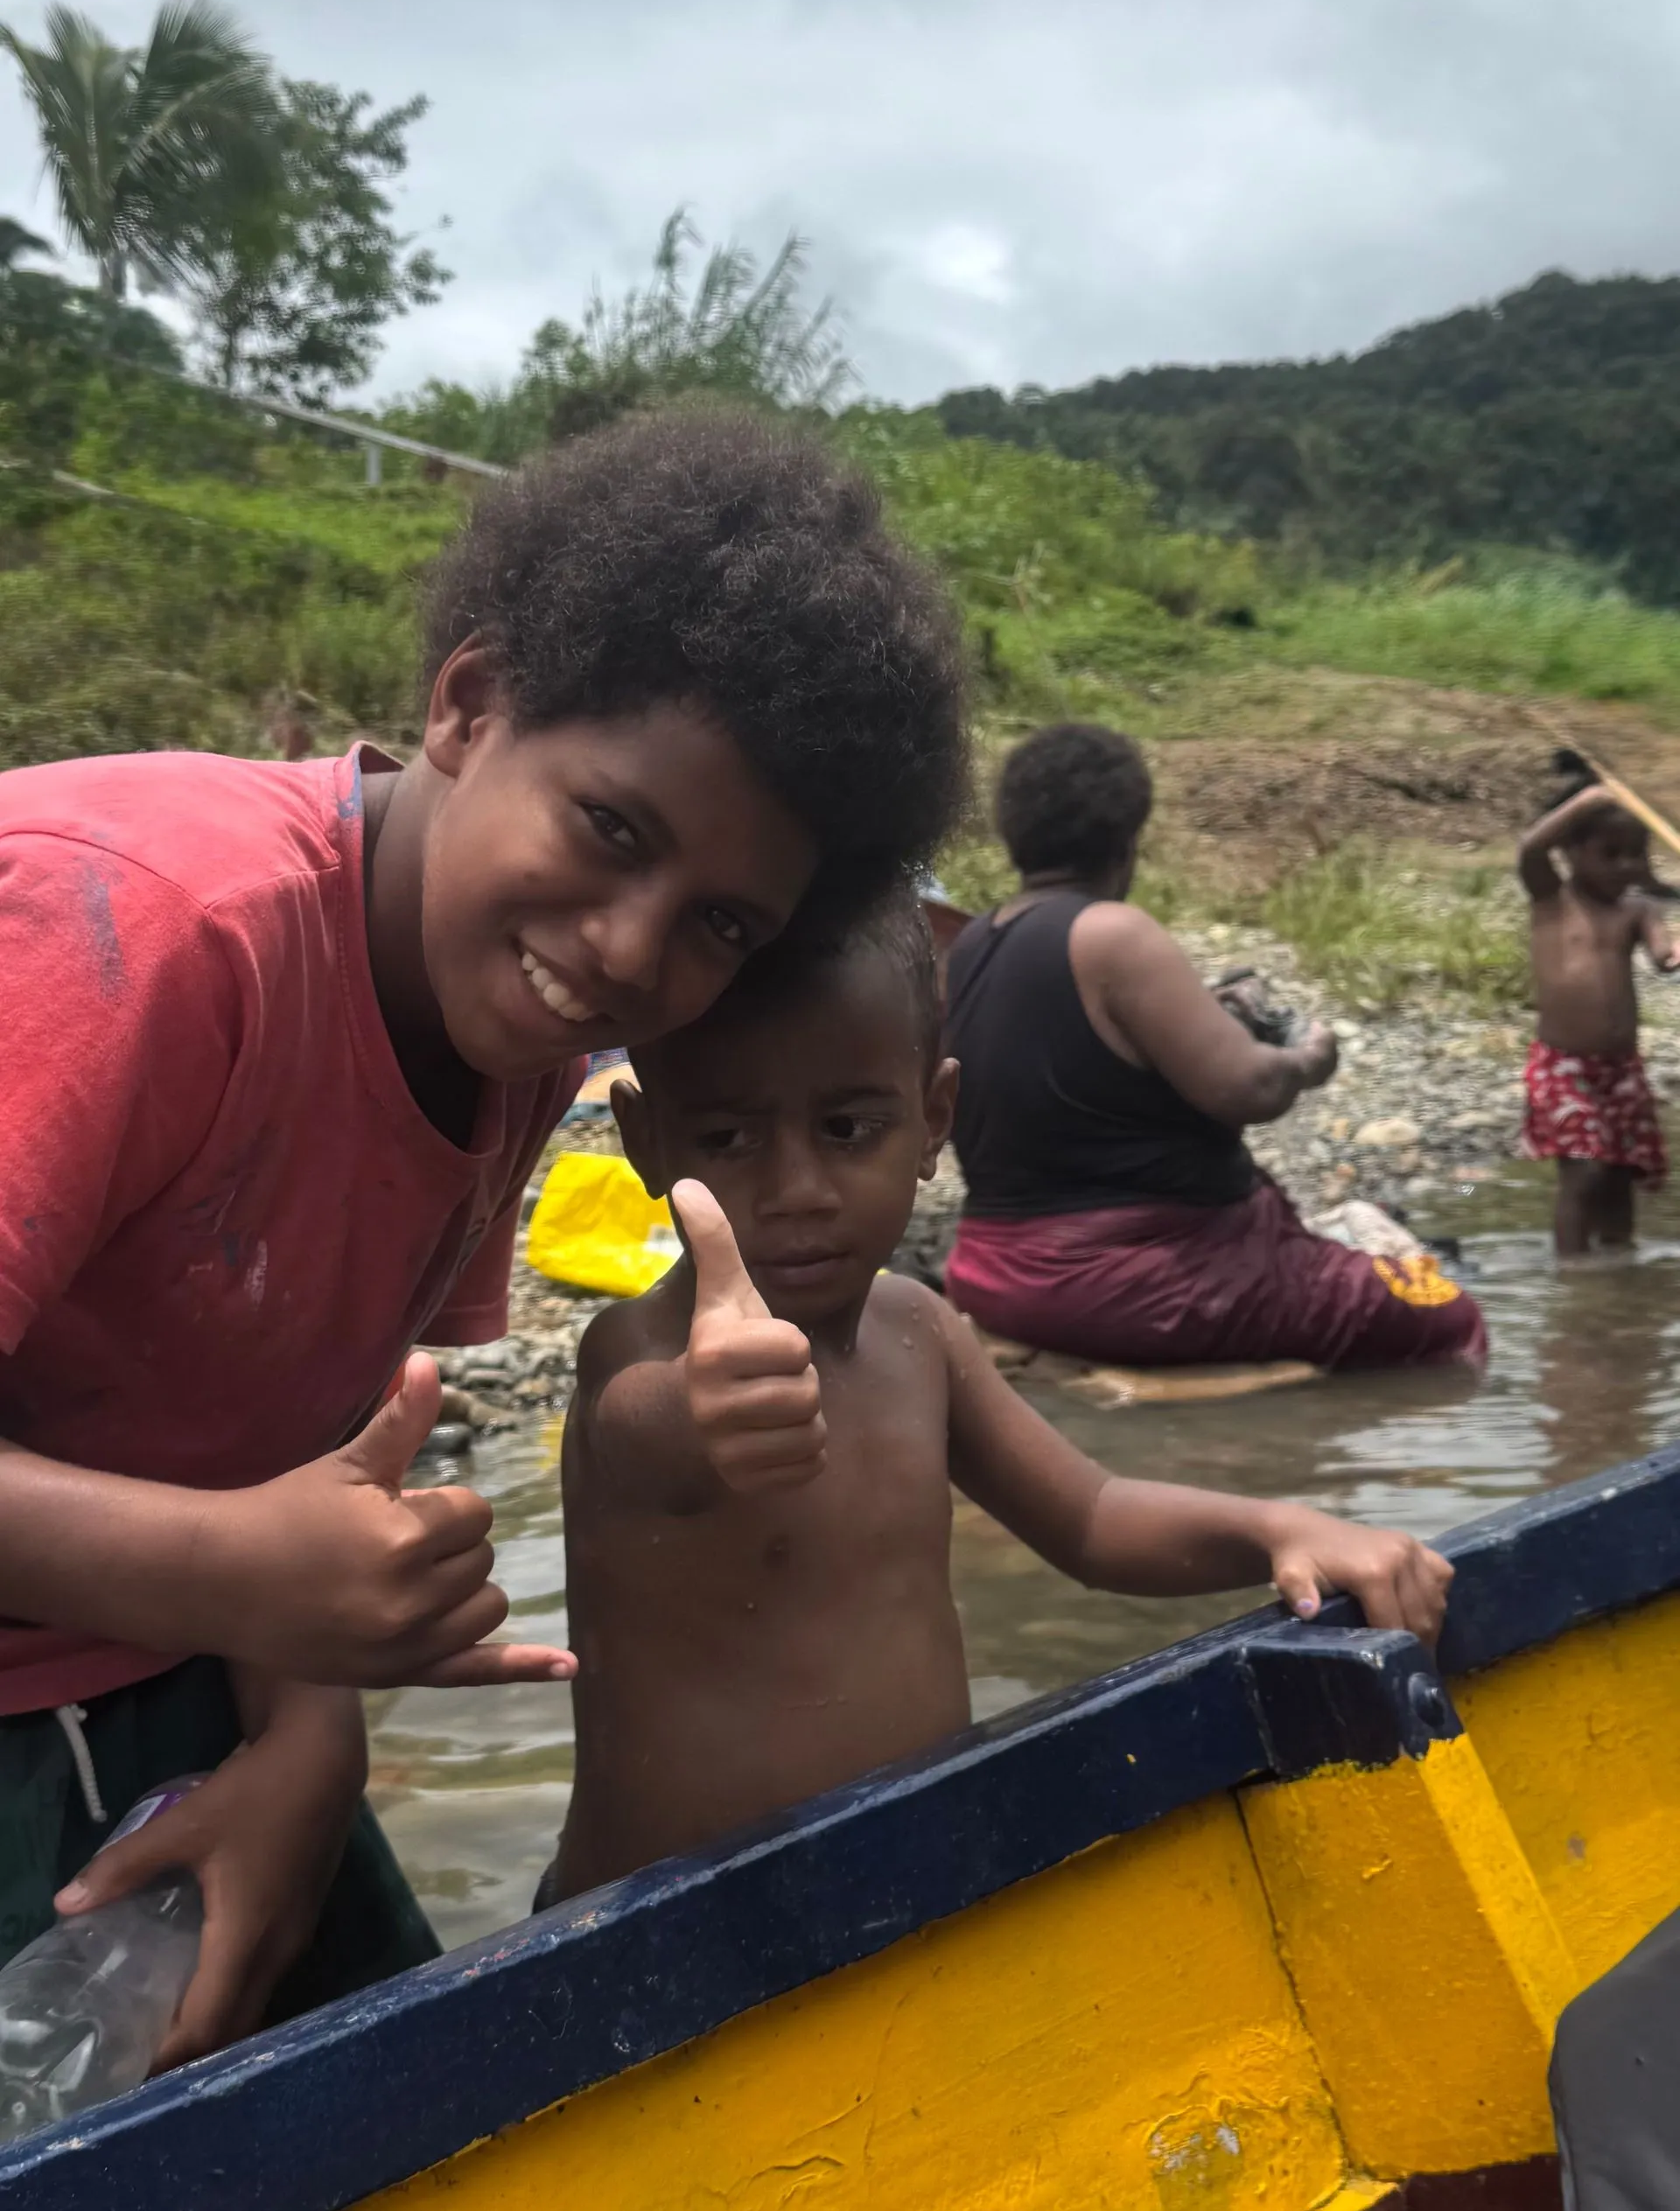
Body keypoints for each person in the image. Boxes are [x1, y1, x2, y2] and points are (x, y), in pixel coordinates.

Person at [0, 405, 967, 2065]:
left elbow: (312, 1427)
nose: (625, 954)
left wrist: (314, 1739)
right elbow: (260, 1533)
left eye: (718, 924)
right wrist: (238, 1580)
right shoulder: (128, 930)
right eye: (612, 830)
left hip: (184, 1687)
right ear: (468, 704)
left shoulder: (495, 1025)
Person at [539, 892, 1452, 1902]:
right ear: (645, 1136)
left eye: (847, 1126)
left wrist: (1279, 1527)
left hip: (915, 1891)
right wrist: (699, 1408)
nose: (798, 1186)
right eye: (728, 1139)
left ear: (934, 1120)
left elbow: (1095, 1519)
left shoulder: (919, 1332)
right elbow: (640, 1431)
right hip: (659, 1938)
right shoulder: (641, 1350)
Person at [940, 724, 1487, 1373]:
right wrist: (1310, 1053)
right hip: (1135, 1282)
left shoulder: (972, 943)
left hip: (990, 1267)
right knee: (1448, 1313)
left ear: (1013, 834)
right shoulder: (1112, 934)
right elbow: (1249, 1088)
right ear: (1128, 835)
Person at [1518, 783, 1678, 1254]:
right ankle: (1571, 1272)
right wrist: (1585, 802)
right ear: (1570, 851)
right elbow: (1530, 848)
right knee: (1584, 1168)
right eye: (1610, 854)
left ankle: (1617, 1268)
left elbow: (1663, 952)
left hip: (1621, 1070)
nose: (1626, 867)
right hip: (1564, 1068)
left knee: (1619, 1176)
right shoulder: (1552, 899)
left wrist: (1672, 955)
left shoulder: (1637, 910)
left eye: (1635, 854)